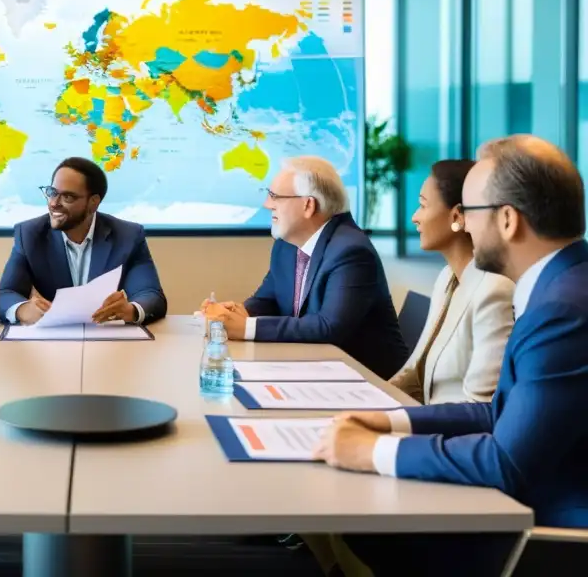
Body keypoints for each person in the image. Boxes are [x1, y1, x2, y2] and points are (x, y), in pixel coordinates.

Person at [315, 136, 588, 576]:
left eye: (471, 212)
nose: (465, 225)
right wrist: (387, 422)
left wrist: (373, 452)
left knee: (361, 526)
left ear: (506, 220)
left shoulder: (563, 309)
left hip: (552, 537)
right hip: (532, 505)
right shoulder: (560, 286)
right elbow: (496, 415)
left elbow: (506, 462)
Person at [204, 156, 407, 379]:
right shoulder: (286, 246)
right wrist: (233, 313)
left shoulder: (351, 251)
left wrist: (246, 328)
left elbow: (329, 327)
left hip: (369, 384)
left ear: (308, 205)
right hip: (317, 371)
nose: (267, 204)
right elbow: (267, 300)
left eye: (275, 197)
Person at [390, 160, 514, 404]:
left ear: (457, 215)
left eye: (423, 205)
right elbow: (415, 373)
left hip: (452, 434)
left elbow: (480, 407)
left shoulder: (494, 289)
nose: (415, 217)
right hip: (426, 422)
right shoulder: (447, 278)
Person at [0, 157, 167, 325]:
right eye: (52, 193)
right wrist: (22, 309)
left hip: (108, 339)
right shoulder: (29, 234)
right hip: (54, 340)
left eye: (67, 197)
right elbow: (6, 293)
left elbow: (150, 294)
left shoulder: (127, 235)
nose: (54, 203)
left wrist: (132, 310)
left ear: (93, 203)